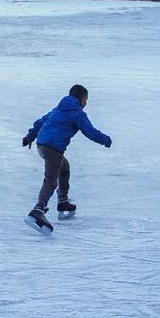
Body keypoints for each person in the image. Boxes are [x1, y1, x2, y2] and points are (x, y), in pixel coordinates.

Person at [22, 84, 113, 235]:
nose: (86, 103)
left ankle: (63, 201)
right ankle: (38, 210)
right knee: (50, 180)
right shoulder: (77, 114)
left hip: (42, 145)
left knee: (64, 168)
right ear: (82, 99)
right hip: (54, 149)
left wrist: (29, 137)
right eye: (86, 99)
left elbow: (40, 122)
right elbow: (89, 131)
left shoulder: (57, 109)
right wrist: (105, 140)